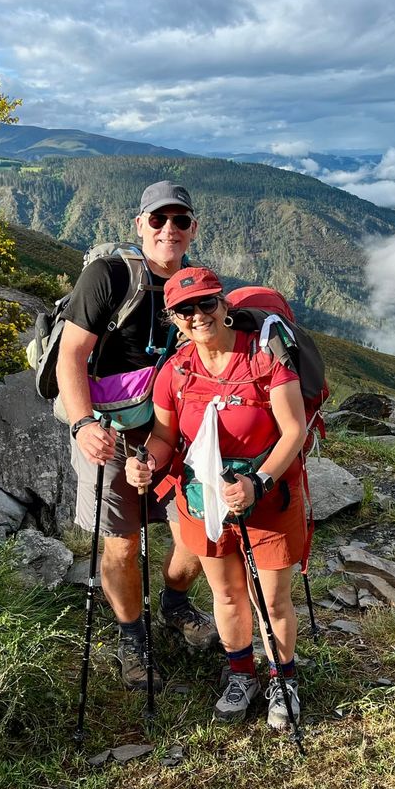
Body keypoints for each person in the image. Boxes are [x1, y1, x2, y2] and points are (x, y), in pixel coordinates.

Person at [125, 266, 309, 730]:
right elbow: (164, 438)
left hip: (267, 499)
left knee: (271, 599)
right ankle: (241, 673)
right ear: (173, 318)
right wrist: (145, 462)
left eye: (206, 302)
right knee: (226, 594)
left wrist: (258, 483)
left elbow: (294, 431)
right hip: (204, 499)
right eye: (183, 310)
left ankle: (283, 679)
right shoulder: (175, 371)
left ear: (224, 305)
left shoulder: (265, 358)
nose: (197, 315)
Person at [57, 181, 219, 692]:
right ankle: (132, 637)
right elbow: (71, 355)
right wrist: (83, 425)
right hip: (108, 430)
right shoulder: (109, 276)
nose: (169, 229)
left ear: (193, 228)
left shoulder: (196, 287)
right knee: (123, 545)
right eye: (158, 219)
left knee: (197, 535)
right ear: (139, 224)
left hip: (177, 430)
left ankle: (173, 602)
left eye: (180, 220)